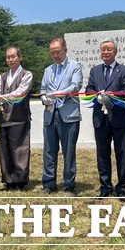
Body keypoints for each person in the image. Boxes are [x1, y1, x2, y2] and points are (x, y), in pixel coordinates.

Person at [85, 38, 125, 198]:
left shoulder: (124, 70)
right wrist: (96, 96)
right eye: (103, 49)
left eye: (109, 49)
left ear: (115, 52)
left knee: (122, 154)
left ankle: (122, 188)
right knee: (102, 154)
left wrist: (112, 96)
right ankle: (105, 187)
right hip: (100, 118)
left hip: (119, 118)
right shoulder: (95, 70)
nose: (105, 52)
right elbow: (88, 89)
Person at [40, 38, 83, 196]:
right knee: (49, 150)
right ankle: (49, 183)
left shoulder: (75, 66)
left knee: (69, 151)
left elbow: (76, 85)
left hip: (68, 114)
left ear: (65, 50)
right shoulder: (48, 70)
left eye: (58, 52)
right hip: (50, 114)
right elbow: (43, 88)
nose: (55, 55)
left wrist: (60, 93)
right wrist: (44, 98)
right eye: (52, 53)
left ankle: (69, 184)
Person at [0, 46, 33, 191]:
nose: (10, 59)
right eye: (8, 57)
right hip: (4, 117)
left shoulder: (26, 74)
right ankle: (8, 180)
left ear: (20, 57)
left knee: (19, 150)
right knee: (5, 150)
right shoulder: (3, 76)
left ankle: (19, 181)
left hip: (19, 117)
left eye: (13, 56)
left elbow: (21, 91)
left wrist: (4, 97)